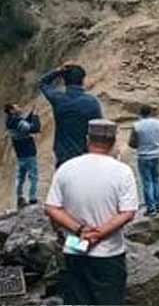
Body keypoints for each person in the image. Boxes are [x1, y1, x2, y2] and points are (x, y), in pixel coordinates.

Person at [44, 119, 138, 306]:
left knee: (77, 298)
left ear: (87, 140)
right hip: (109, 251)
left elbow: (52, 208)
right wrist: (98, 234)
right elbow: (128, 212)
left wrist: (81, 231)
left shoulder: (67, 168)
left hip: (75, 247)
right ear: (112, 143)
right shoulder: (122, 172)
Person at [38, 62, 104, 168]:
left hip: (64, 158)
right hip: (86, 157)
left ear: (64, 81)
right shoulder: (92, 102)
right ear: (82, 80)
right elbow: (99, 129)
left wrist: (59, 71)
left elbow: (43, 83)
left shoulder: (59, 99)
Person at [128, 104, 159, 216]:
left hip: (143, 156)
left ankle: (150, 208)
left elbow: (132, 143)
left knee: (147, 182)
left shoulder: (137, 126)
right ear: (151, 112)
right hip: (156, 155)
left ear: (140, 113)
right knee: (157, 179)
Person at [5, 103, 41, 208]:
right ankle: (32, 198)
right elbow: (34, 129)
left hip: (20, 154)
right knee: (33, 176)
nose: (19, 109)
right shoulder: (17, 122)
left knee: (20, 177)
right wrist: (36, 116)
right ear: (11, 110)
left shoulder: (10, 121)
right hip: (28, 153)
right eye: (17, 107)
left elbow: (24, 124)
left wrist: (31, 114)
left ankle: (20, 198)